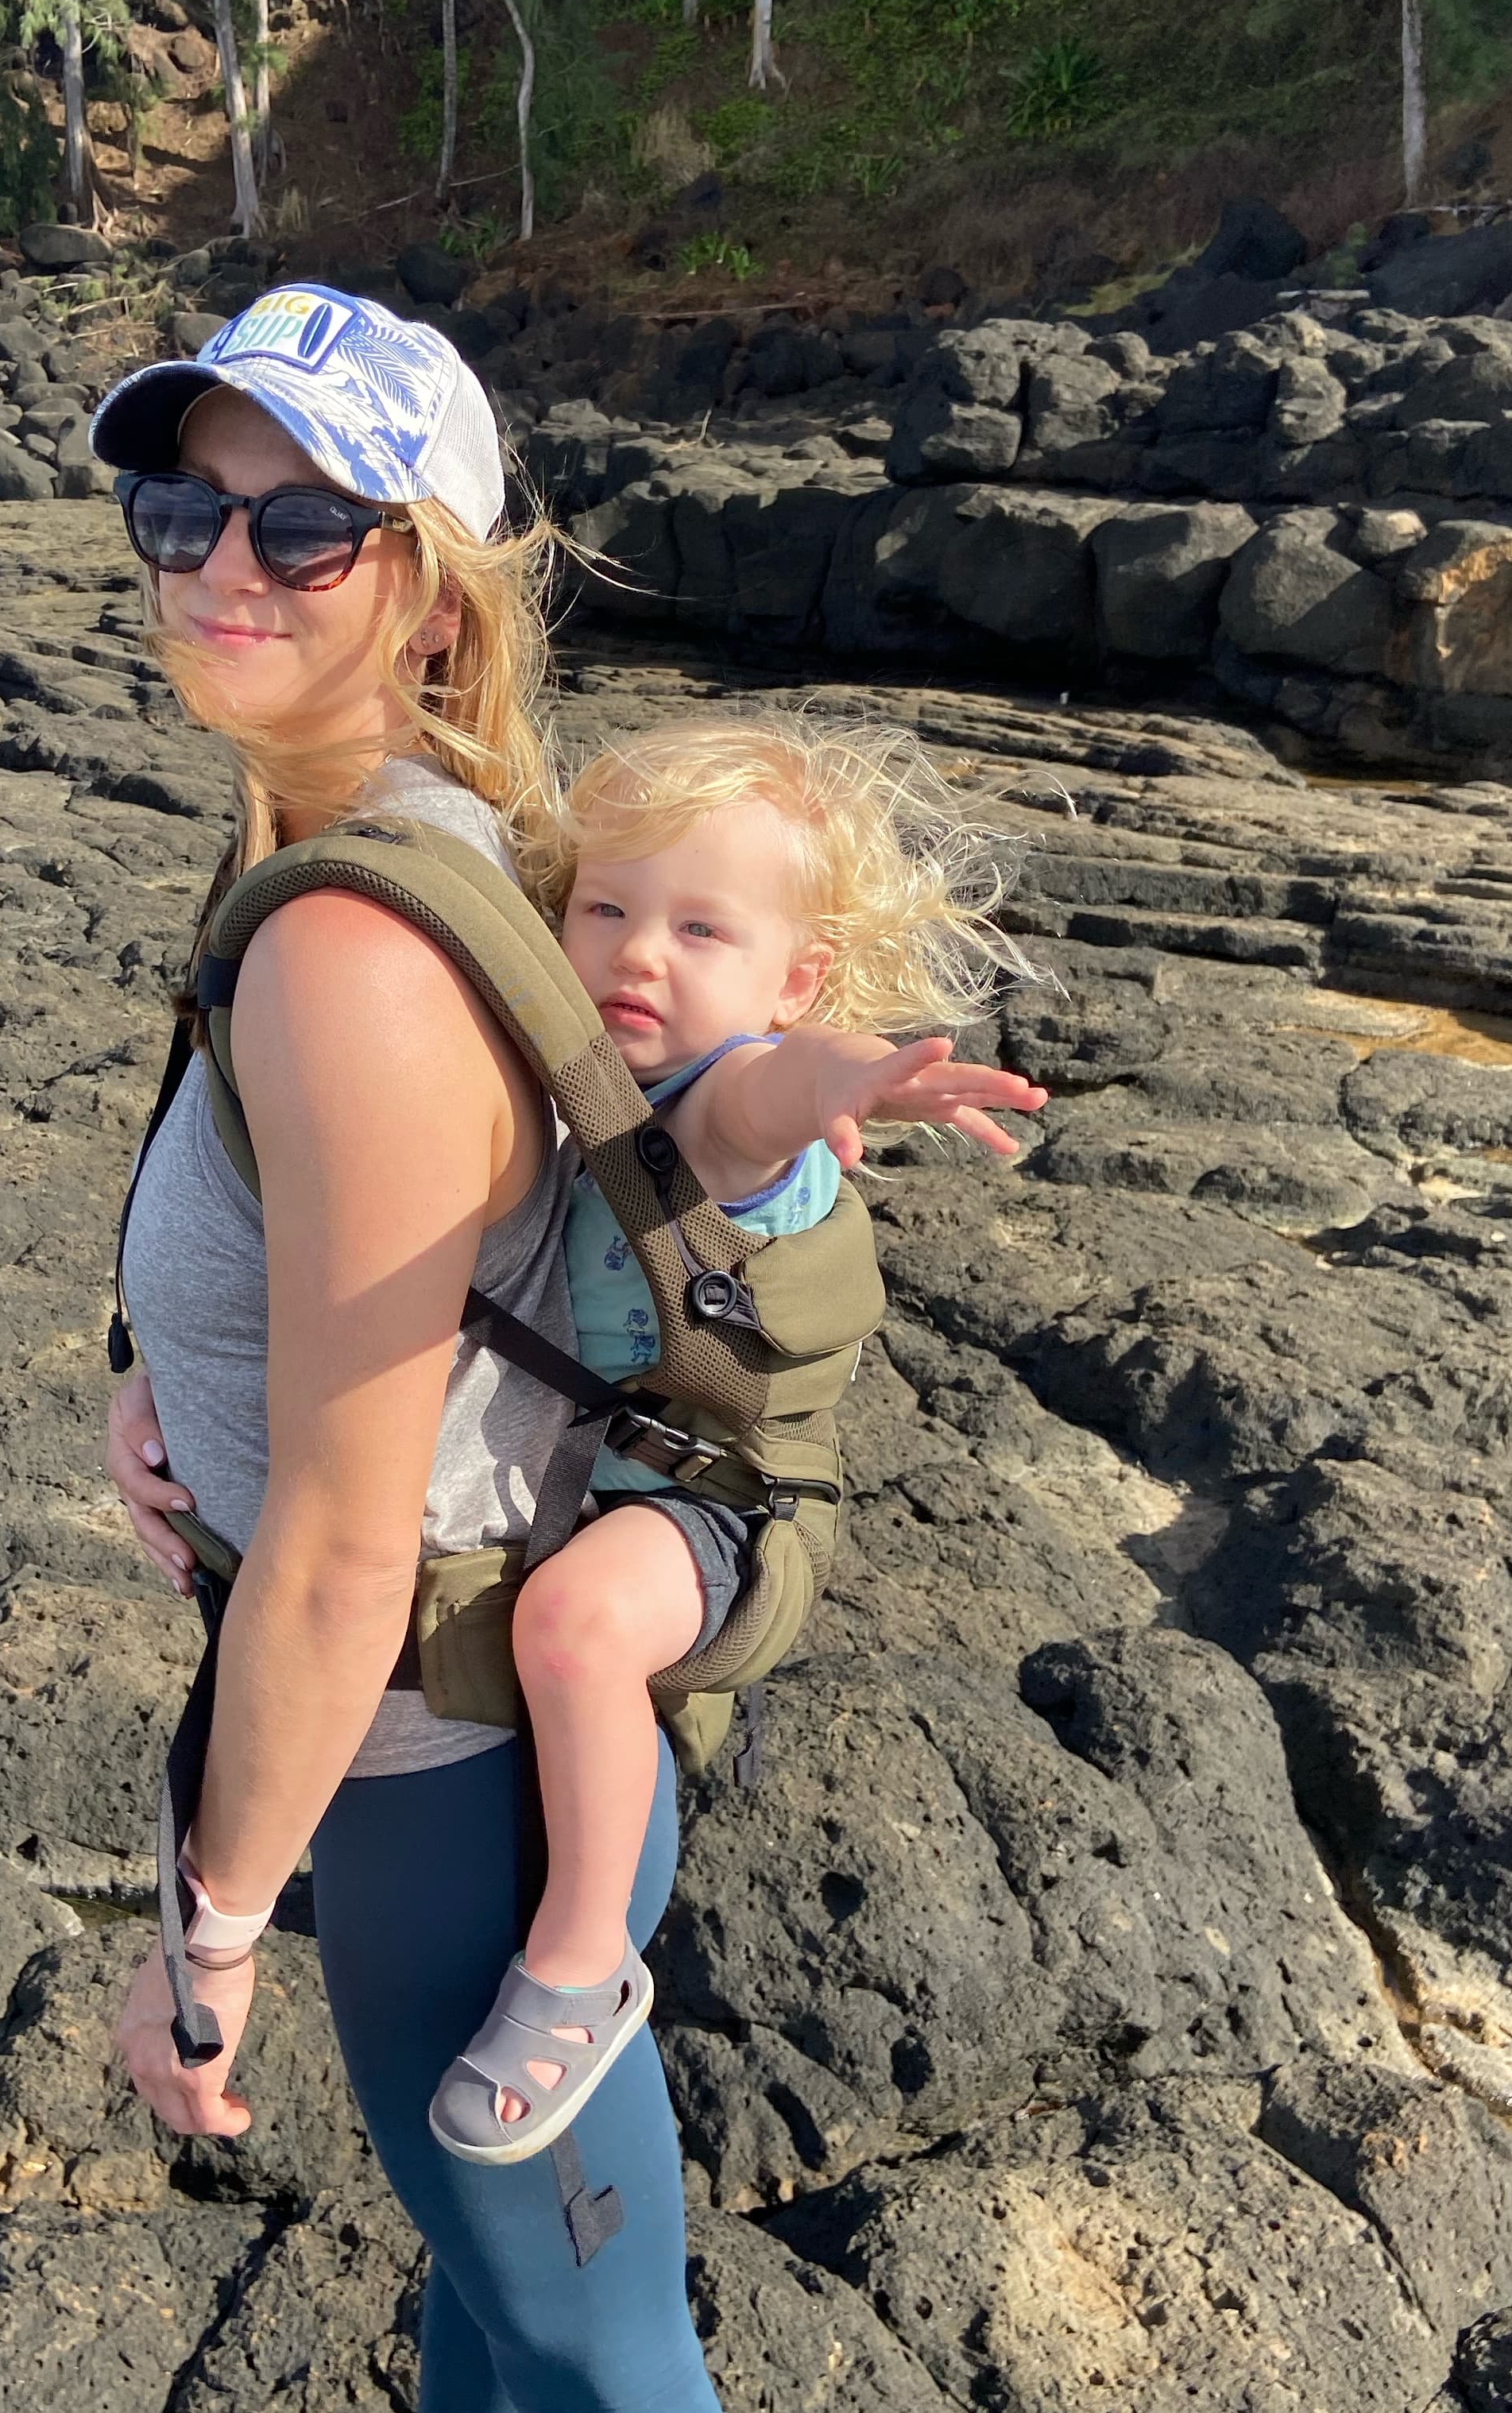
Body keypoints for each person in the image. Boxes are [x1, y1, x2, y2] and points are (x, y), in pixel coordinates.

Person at [95, 281, 763, 2413]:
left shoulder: (360, 947)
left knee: (608, 2355)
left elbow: (355, 1546)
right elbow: (340, 1299)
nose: (222, 567)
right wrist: (161, 1387)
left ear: (438, 585)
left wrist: (212, 1920)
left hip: (429, 1780)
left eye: (301, 523)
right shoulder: (377, 847)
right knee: (515, 2278)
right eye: (184, 506)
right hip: (488, 1730)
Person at [427, 720, 1048, 2171]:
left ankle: (578, 1964)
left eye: (700, 927)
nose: (638, 954)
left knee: (577, 1628)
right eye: (604, 909)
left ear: (791, 976)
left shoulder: (715, 1108)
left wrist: (843, 1080)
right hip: (578, 1482)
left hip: (692, 1512)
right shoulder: (567, 1072)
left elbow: (765, 1093)